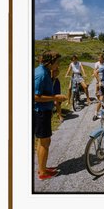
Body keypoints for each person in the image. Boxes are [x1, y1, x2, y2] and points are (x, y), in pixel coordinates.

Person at [34, 51, 67, 180]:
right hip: (41, 112)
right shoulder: (41, 74)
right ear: (50, 62)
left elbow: (46, 89)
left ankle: (42, 168)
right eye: (57, 62)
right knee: (44, 143)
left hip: (44, 111)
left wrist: (53, 77)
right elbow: (35, 96)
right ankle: (43, 173)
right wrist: (55, 97)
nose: (59, 64)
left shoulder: (46, 71)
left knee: (42, 141)